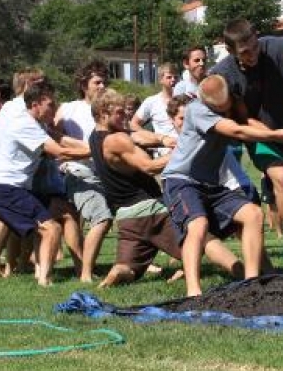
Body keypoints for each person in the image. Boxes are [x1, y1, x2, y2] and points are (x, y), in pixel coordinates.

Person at [161, 75, 283, 296]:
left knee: (254, 214)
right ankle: (194, 292)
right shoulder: (196, 110)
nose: (222, 109)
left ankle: (251, 283)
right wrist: (278, 135)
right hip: (181, 180)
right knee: (198, 225)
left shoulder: (231, 103)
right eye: (217, 107)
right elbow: (236, 131)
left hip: (210, 185)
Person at [91, 89, 242, 287]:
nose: (126, 115)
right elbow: (150, 166)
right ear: (103, 113)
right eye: (120, 112)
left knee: (131, 269)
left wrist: (165, 140)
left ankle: (120, 270)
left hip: (127, 217)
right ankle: (243, 272)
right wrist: (185, 150)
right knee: (201, 238)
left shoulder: (95, 137)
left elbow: (136, 135)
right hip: (151, 210)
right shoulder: (116, 140)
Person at [210, 19, 283, 271]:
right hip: (262, 136)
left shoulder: (278, 48)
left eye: (254, 47)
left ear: (257, 37)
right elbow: (244, 119)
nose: (253, 54)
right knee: (282, 178)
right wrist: (278, 135)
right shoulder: (226, 73)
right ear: (231, 52)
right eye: (245, 52)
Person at [0, 80, 91, 286]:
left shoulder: (35, 124)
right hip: (6, 188)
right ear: (36, 104)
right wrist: (98, 151)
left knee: (50, 226)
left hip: (14, 187)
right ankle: (43, 280)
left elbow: (59, 143)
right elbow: (61, 151)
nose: (53, 109)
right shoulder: (25, 123)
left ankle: (41, 276)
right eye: (50, 105)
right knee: (51, 229)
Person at [54, 61, 114, 282]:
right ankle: (86, 273)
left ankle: (85, 267)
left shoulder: (106, 110)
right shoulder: (68, 109)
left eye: (104, 82)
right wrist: (81, 148)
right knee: (101, 217)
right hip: (77, 172)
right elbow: (52, 135)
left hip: (105, 174)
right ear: (84, 85)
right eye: (96, 82)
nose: (101, 86)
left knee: (84, 221)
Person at [130, 63, 179, 147]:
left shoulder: (184, 100)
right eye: (169, 77)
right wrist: (155, 138)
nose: (173, 80)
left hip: (184, 149)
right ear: (161, 80)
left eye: (175, 77)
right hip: (163, 149)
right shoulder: (152, 101)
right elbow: (133, 124)